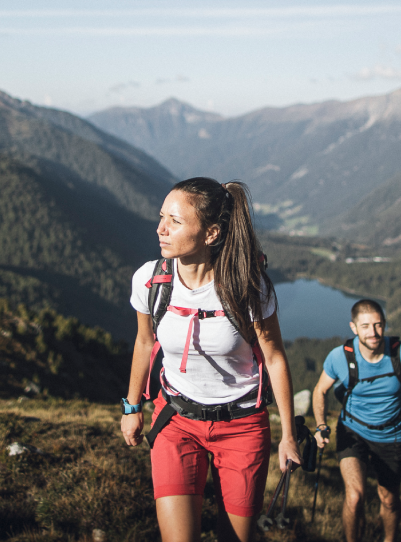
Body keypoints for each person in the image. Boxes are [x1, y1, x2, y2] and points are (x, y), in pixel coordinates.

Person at [120, 177, 301, 542]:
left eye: (175, 221)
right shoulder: (151, 281)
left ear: (210, 233)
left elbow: (275, 358)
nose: (161, 229)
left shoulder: (247, 287)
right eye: (161, 217)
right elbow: (144, 343)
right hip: (175, 421)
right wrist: (132, 406)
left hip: (242, 427)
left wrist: (289, 436)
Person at [310, 299, 401, 542]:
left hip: (390, 435)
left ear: (384, 324)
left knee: (389, 499)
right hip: (351, 432)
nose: (373, 333)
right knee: (354, 498)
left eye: (378, 325)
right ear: (353, 327)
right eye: (365, 326)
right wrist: (321, 426)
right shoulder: (339, 357)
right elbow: (320, 390)